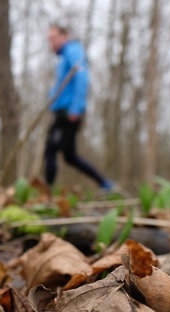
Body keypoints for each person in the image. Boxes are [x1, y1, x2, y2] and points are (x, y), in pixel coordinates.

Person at [44, 24, 113, 191]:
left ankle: (47, 191)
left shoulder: (72, 51)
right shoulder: (65, 56)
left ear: (64, 36)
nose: (51, 43)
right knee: (70, 156)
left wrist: (75, 109)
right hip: (64, 110)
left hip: (68, 112)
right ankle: (105, 183)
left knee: (50, 150)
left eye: (53, 38)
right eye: (49, 40)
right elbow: (63, 84)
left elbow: (82, 78)